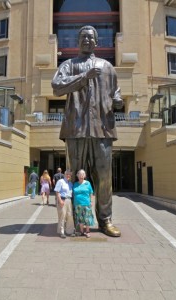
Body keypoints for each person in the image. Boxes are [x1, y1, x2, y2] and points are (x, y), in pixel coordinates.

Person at [52, 25, 123, 237]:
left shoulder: (108, 67)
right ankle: (75, 221)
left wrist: (117, 100)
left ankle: (105, 220)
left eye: (91, 37)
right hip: (76, 129)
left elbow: (116, 91)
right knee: (74, 178)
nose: (87, 40)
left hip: (102, 129)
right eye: (83, 37)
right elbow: (57, 86)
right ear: (77, 41)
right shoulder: (69, 64)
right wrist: (84, 77)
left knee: (104, 178)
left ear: (97, 42)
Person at [73, 169, 94, 238]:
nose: (81, 175)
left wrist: (91, 201)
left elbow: (91, 192)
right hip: (77, 204)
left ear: (84, 175)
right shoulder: (75, 184)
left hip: (86, 203)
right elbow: (72, 193)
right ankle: (81, 231)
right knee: (80, 218)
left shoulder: (87, 183)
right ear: (77, 175)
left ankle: (87, 231)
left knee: (87, 218)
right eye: (80, 174)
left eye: (83, 174)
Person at [54, 170, 75, 238]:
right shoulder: (60, 181)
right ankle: (61, 231)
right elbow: (57, 191)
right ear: (64, 175)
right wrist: (60, 200)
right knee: (62, 216)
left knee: (70, 216)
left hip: (69, 200)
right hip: (62, 200)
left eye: (70, 175)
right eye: (67, 174)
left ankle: (69, 231)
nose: (68, 176)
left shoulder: (70, 183)